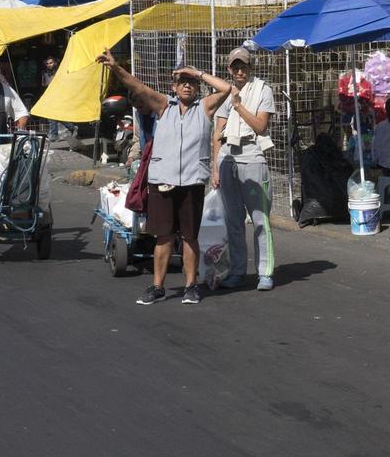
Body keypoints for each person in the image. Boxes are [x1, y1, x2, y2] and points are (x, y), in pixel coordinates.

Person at [98, 50, 231, 306]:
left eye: (191, 82)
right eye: (182, 82)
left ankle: (191, 286)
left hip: (192, 182)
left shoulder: (204, 108)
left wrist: (198, 72)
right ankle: (157, 287)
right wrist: (115, 67)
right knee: (164, 237)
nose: (187, 86)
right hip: (163, 182)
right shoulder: (163, 106)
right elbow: (136, 85)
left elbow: (225, 88)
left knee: (190, 237)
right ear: (173, 87)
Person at [213, 47, 277, 291]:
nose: (239, 71)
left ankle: (265, 272)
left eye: (244, 66)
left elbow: (261, 126)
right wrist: (215, 167)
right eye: (235, 66)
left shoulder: (263, 90)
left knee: (260, 219)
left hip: (252, 156)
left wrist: (238, 107)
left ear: (250, 68)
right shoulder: (225, 93)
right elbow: (217, 133)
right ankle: (238, 271)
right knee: (233, 220)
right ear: (229, 69)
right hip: (227, 157)